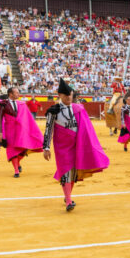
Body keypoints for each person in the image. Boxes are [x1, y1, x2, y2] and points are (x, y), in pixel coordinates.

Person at [43, 79, 110, 211]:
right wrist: (46, 147)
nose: (69, 97)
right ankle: (68, 201)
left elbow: (87, 129)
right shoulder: (53, 111)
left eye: (71, 95)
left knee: (73, 173)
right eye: (66, 95)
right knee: (66, 171)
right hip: (62, 146)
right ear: (60, 95)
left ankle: (67, 195)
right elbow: (48, 129)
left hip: (77, 145)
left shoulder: (78, 109)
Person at [0, 86, 44, 178]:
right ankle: (16, 170)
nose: (18, 94)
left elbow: (28, 119)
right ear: (11, 94)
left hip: (21, 130)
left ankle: (17, 162)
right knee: (12, 149)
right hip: (9, 130)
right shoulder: (3, 104)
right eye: (16, 93)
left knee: (23, 148)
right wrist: (0, 132)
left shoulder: (22, 104)